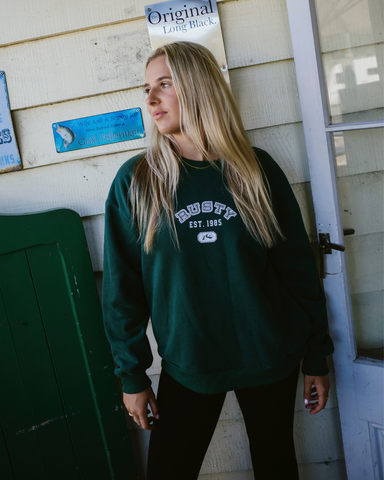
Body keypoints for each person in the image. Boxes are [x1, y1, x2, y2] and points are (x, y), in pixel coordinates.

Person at [102, 41, 334, 480]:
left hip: (270, 353)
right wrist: (131, 375)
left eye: (164, 85)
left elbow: (297, 270)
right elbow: (122, 291)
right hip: (190, 363)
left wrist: (317, 355)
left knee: (276, 464)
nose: (149, 99)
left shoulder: (254, 169)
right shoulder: (137, 182)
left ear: (198, 87)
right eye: (147, 87)